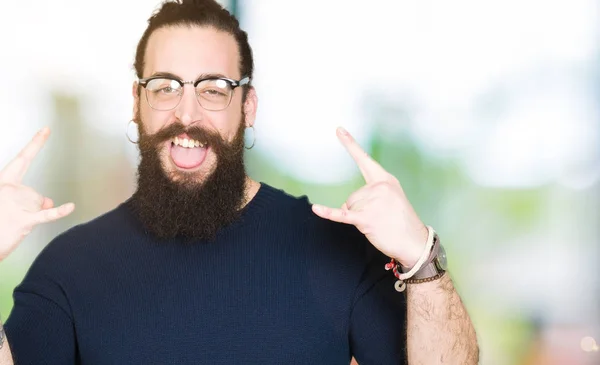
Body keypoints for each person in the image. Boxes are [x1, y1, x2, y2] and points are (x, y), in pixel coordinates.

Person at [0, 0, 479, 363]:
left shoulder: (333, 249)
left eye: (213, 89)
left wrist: (421, 256)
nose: (186, 113)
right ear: (136, 103)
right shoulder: (70, 266)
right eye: (165, 87)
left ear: (248, 107)